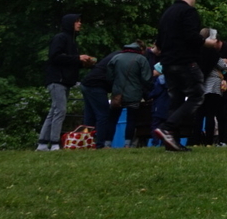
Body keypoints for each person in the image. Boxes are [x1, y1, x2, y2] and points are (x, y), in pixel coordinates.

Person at [155, 0, 220, 152]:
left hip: (167, 63)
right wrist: (208, 42)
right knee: (197, 96)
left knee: (175, 100)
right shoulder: (189, 12)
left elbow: (159, 42)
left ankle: (172, 142)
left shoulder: (167, 14)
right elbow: (191, 37)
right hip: (185, 61)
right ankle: (167, 127)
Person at [37, 14, 95, 151]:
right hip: (58, 79)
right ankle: (55, 143)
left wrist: (83, 63)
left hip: (65, 80)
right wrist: (77, 58)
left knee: (54, 110)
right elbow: (55, 57)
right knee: (60, 111)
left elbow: (69, 60)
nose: (80, 24)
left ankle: (43, 143)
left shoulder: (71, 40)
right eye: (77, 21)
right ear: (70, 23)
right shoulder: (60, 38)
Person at [106, 41, 153, 147]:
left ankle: (107, 143)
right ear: (139, 50)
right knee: (131, 120)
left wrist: (115, 86)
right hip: (134, 94)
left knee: (113, 119)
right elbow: (146, 79)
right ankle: (127, 143)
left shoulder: (116, 58)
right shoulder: (141, 59)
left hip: (117, 94)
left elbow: (109, 76)